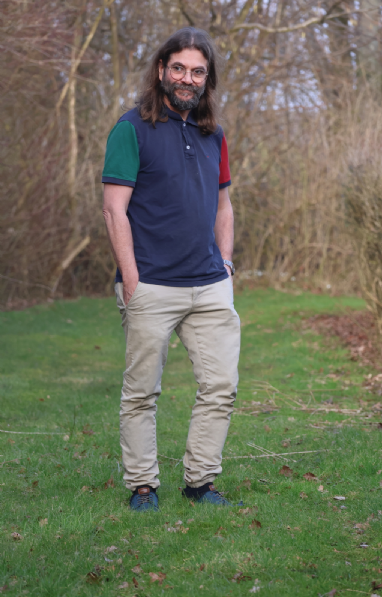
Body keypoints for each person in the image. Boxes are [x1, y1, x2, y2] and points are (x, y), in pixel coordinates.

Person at [102, 27, 240, 512]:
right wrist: (131, 277)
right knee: (142, 393)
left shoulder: (213, 134)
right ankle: (143, 486)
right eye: (178, 68)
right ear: (161, 69)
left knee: (220, 387)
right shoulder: (131, 129)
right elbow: (114, 209)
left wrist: (225, 263)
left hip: (209, 285)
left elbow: (224, 205)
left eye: (198, 71)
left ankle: (200, 482)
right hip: (151, 285)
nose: (187, 78)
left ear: (207, 79)